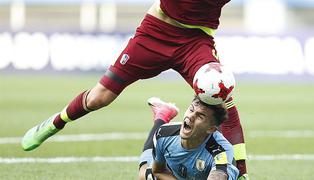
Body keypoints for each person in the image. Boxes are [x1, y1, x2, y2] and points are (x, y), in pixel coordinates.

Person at [22, 0, 248, 179]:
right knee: (99, 98)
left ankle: (242, 174)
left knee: (220, 101)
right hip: (157, 30)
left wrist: (242, 172)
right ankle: (55, 123)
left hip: (196, 41)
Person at [139, 97, 239, 180]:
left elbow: (218, 176)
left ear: (211, 129)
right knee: (144, 175)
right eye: (191, 109)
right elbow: (158, 171)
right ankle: (163, 114)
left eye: (200, 116)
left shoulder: (221, 152)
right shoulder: (165, 133)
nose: (190, 116)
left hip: (218, 170)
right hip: (174, 170)